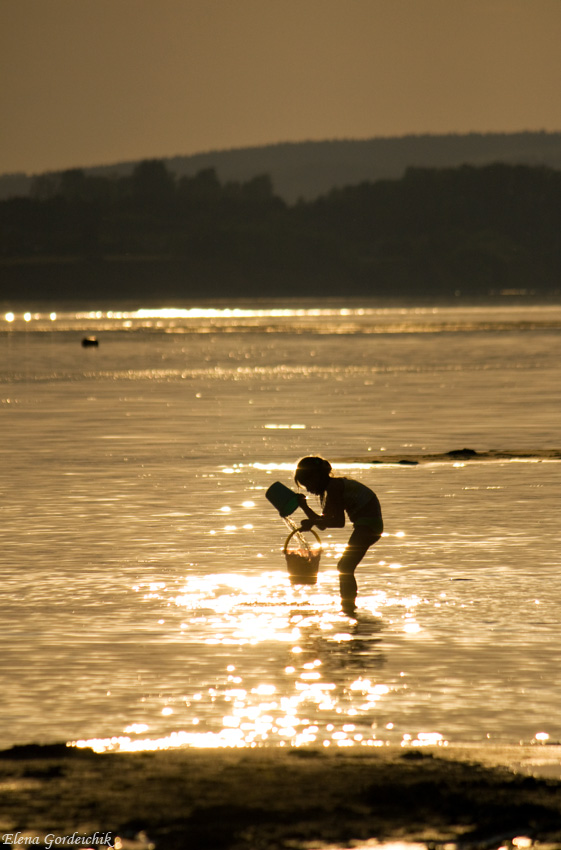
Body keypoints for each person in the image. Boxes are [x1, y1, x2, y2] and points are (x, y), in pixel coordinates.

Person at [294, 456, 383, 614]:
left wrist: (312, 521)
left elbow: (338, 522)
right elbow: (323, 524)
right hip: (367, 526)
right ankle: (348, 605)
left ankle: (348, 606)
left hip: (368, 526)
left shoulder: (335, 487)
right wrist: (304, 507)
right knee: (345, 566)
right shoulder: (332, 488)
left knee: (345, 566)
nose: (308, 489)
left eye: (308, 484)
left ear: (317, 477)